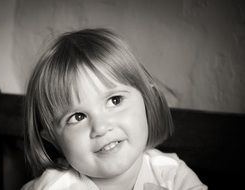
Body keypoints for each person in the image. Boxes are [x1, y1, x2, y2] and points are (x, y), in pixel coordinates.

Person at [21, 28, 207, 190]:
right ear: (53, 138)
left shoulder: (171, 174)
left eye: (115, 100)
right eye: (78, 117)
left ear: (146, 98)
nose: (101, 128)